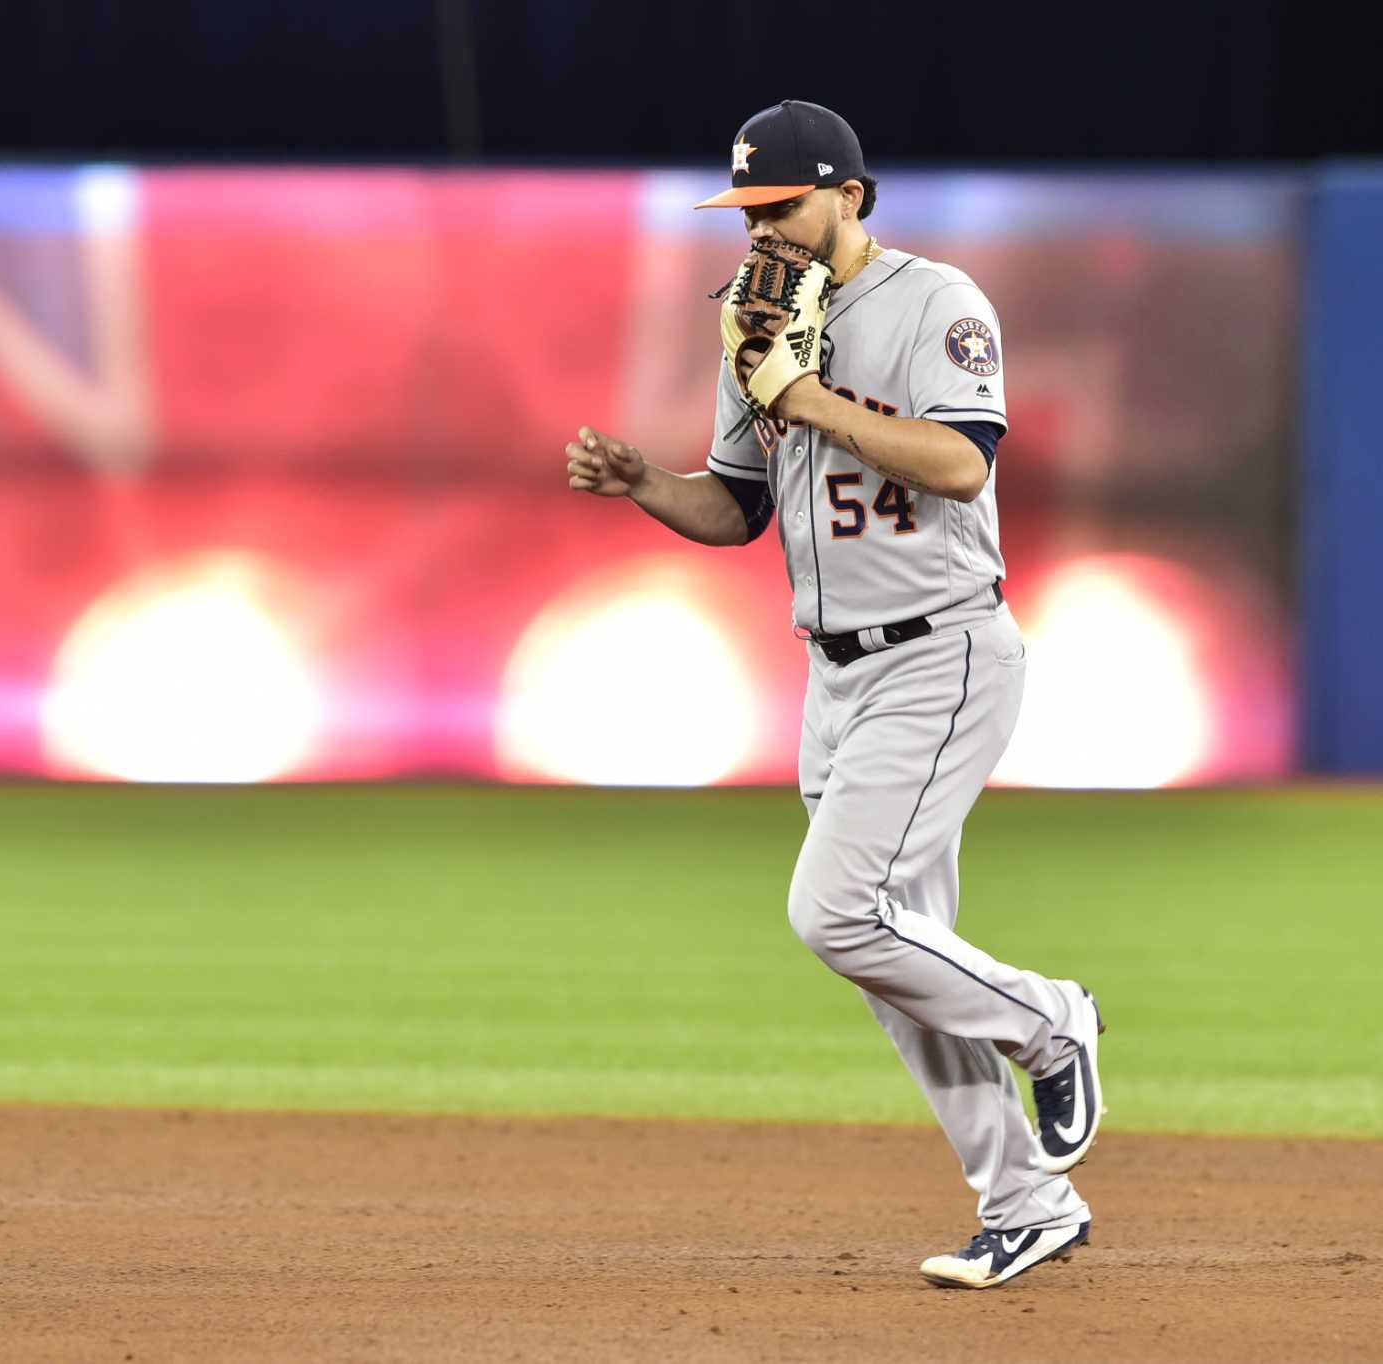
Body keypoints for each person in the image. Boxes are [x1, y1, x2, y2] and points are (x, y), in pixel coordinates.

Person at [563, 100, 1106, 1290]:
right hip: (833, 670)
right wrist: (642, 480)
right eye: (748, 210)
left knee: (836, 913)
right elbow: (736, 508)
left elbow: (963, 461)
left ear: (849, 196)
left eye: (784, 205)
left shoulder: (935, 302)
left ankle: (1049, 1020)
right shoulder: (753, 326)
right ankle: (1026, 1199)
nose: (762, 230)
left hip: (940, 651)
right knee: (892, 954)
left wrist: (801, 394)